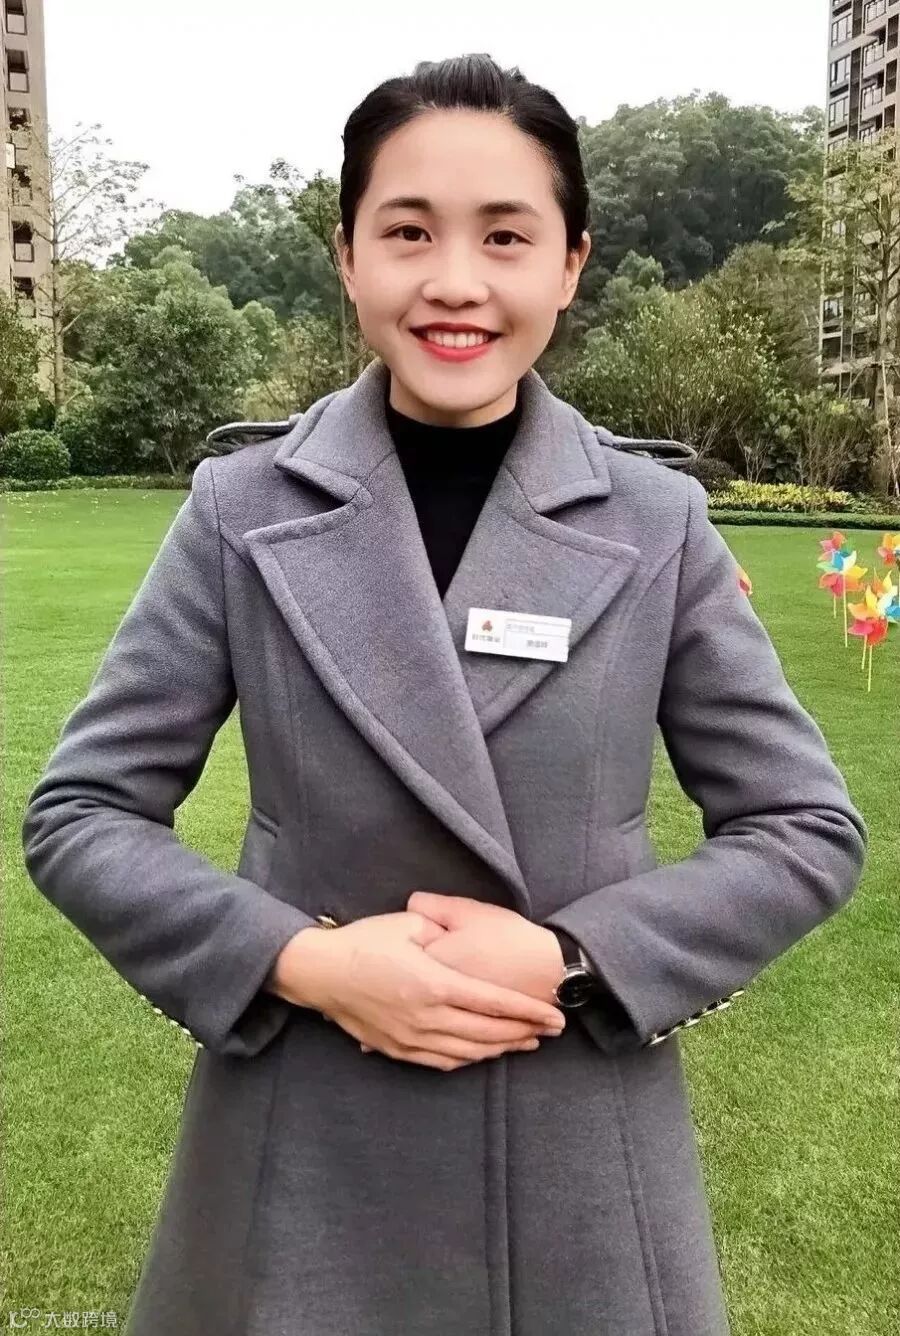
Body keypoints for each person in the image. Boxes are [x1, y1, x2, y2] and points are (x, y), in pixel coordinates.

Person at [21, 53, 868, 1336]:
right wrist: (303, 961)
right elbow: (82, 813)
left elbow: (803, 828)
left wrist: (573, 955)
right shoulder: (240, 510)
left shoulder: (657, 520)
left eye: (506, 236)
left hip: (578, 1151)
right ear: (348, 258)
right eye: (408, 231)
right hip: (303, 1146)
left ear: (570, 266)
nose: (456, 281)